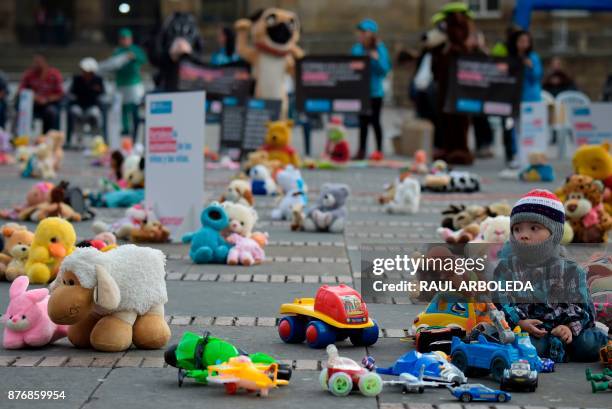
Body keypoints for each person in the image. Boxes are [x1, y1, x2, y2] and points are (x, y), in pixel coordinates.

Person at [497, 189, 608, 362]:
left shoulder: (570, 270)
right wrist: (518, 321)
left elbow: (582, 307)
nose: (523, 235)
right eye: (517, 229)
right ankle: (553, 346)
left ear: (554, 233)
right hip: (530, 329)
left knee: (587, 345)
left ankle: (589, 337)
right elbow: (501, 301)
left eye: (534, 228)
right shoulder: (507, 268)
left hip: (565, 327)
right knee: (530, 346)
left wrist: (568, 326)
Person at [351, 19, 391, 160]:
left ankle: (379, 151)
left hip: (375, 92)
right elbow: (352, 67)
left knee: (375, 121)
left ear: (371, 33)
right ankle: (361, 151)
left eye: (364, 32)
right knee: (362, 122)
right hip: (361, 92)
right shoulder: (357, 48)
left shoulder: (380, 49)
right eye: (360, 32)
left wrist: (375, 59)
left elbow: (384, 70)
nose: (361, 34)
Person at [505, 30, 542, 169]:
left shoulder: (533, 57)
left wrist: (530, 66)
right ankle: (517, 155)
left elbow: (537, 76)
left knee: (532, 128)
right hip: (516, 98)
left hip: (531, 98)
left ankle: (533, 156)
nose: (523, 44)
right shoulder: (512, 58)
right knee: (516, 127)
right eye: (521, 41)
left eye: (526, 41)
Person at [112, 28, 147, 140]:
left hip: (133, 83)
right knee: (123, 107)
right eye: (122, 39)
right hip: (121, 83)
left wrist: (134, 57)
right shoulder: (117, 51)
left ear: (130, 39)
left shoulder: (135, 50)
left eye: (126, 38)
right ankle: (125, 128)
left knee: (134, 107)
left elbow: (144, 59)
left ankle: (135, 128)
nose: (124, 41)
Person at [18, 54, 64, 133]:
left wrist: (47, 99)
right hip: (33, 104)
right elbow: (21, 90)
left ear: (45, 63)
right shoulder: (29, 74)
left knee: (51, 112)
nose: (36, 65)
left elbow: (60, 93)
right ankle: (23, 134)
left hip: (48, 104)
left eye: (39, 62)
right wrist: (34, 97)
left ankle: (48, 135)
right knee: (21, 110)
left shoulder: (54, 74)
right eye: (35, 62)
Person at [67, 58, 105, 145]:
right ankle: (79, 138)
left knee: (95, 114)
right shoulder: (76, 79)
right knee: (75, 112)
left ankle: (96, 139)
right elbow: (70, 93)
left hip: (92, 106)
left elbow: (103, 94)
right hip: (79, 105)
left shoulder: (98, 80)